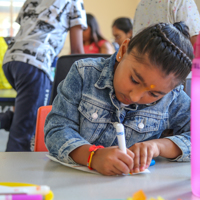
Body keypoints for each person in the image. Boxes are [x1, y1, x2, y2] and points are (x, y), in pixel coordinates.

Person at [44, 21, 193, 176]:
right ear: (123, 50)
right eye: (134, 80)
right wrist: (92, 156)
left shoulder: (172, 97)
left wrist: (158, 146)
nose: (134, 96)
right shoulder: (84, 74)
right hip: (76, 183)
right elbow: (57, 129)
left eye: (154, 94)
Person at [1, 0, 87, 151]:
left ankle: (6, 119)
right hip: (35, 62)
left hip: (11, 60)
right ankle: (13, 173)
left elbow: (24, 28)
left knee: (30, 115)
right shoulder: (74, 1)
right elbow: (77, 51)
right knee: (25, 132)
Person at [132, 0, 200, 46]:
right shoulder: (182, 1)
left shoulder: (141, 4)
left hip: (144, 63)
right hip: (173, 64)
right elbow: (195, 38)